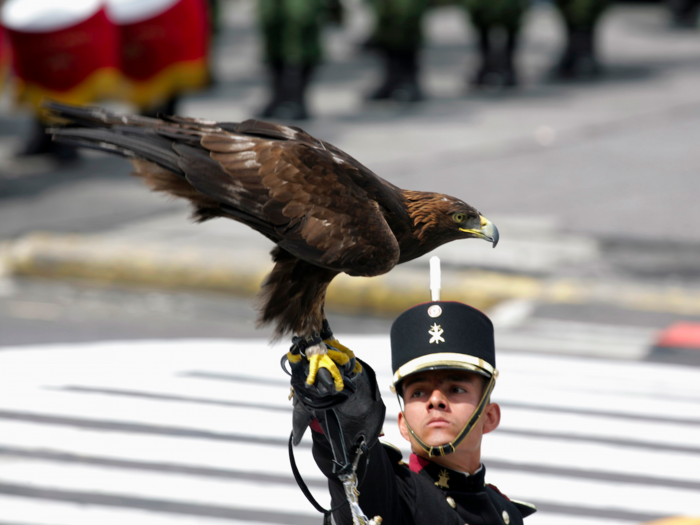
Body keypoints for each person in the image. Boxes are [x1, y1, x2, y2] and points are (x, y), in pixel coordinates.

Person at [290, 301, 536, 525]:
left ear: (490, 417)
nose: (436, 400)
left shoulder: (506, 513)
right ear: (403, 424)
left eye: (456, 389)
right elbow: (360, 466)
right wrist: (335, 407)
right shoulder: (396, 496)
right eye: (419, 393)